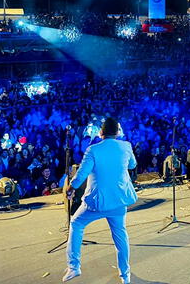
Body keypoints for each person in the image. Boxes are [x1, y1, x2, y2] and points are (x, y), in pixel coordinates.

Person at [63, 117, 137, 283]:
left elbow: (82, 173)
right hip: (118, 200)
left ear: (101, 132)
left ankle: (74, 267)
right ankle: (125, 275)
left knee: (76, 223)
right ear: (118, 132)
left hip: (97, 202)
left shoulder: (93, 150)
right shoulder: (126, 146)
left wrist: (71, 187)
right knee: (120, 236)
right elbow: (132, 165)